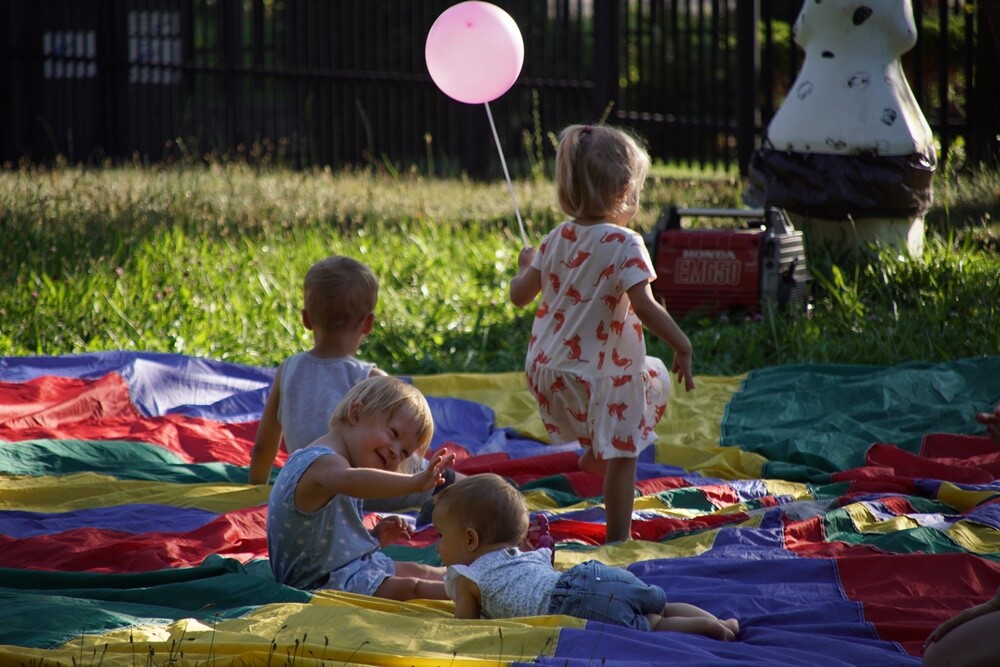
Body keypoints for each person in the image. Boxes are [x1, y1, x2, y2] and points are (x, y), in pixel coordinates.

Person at [508, 123, 695, 544]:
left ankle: (595, 453)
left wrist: (525, 266)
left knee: (637, 387)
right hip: (601, 375)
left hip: (549, 370)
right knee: (628, 445)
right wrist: (681, 344)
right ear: (626, 189)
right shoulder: (626, 242)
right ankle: (618, 538)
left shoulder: (555, 237)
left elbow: (519, 296)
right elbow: (645, 307)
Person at [248, 255, 454, 513]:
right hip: (374, 489)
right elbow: (412, 433)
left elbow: (263, 446)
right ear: (368, 323)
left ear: (306, 319)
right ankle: (483, 489)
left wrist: (257, 491)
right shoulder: (371, 379)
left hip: (314, 491)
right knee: (445, 481)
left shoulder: (288, 370)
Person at [432, 473, 739, 640]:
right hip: (590, 574)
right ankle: (718, 620)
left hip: (575, 605)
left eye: (441, 536)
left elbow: (465, 628)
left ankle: (709, 630)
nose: (437, 546)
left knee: (654, 624)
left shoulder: (467, 578)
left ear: (470, 539)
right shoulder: (525, 555)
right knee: (663, 605)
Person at [266, 375, 456, 601]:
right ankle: (471, 593)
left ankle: (473, 578)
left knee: (421, 571)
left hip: (343, 569)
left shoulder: (344, 462)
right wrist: (414, 484)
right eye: (393, 434)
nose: (396, 451)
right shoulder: (325, 462)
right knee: (413, 588)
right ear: (355, 414)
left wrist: (373, 538)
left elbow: (325, 542)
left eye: (405, 452)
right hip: (322, 583)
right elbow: (350, 481)